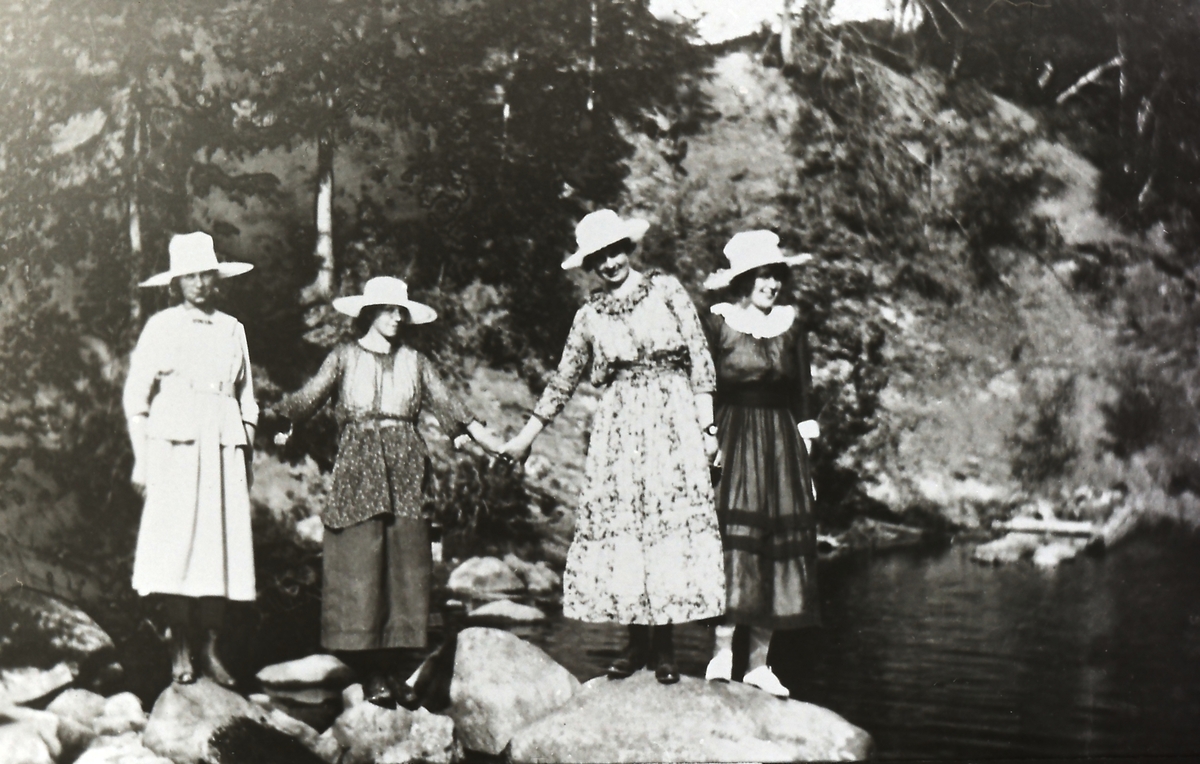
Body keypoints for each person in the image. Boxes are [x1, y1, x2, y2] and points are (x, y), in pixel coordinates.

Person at [501, 209, 725, 685]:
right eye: (599, 257)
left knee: (665, 523)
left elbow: (702, 361)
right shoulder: (589, 314)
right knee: (626, 525)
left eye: (615, 251)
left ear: (630, 249)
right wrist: (525, 438)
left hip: (672, 418)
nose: (610, 263)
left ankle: (665, 646)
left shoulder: (666, 290)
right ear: (590, 264)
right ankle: (633, 643)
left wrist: (708, 433)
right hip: (619, 426)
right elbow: (563, 380)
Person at [271, 276, 501, 708]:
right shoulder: (343, 357)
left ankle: (397, 672)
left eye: (402, 311)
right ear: (370, 312)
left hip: (406, 468)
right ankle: (371, 671)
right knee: (362, 564)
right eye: (390, 309)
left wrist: (496, 446)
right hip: (358, 468)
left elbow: (453, 408)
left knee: (404, 566)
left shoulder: (415, 361)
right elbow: (308, 398)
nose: (399, 317)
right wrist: (272, 416)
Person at [123, 231, 258, 687]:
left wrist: (246, 449)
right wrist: (142, 460)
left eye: (207, 274)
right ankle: (178, 645)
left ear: (217, 278)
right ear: (176, 282)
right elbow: (136, 400)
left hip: (221, 449)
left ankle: (210, 648)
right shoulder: (161, 327)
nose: (200, 284)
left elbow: (248, 399)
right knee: (177, 548)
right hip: (174, 450)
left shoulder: (233, 328)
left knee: (219, 549)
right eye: (190, 276)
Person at [700, 230, 821, 697]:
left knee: (773, 542)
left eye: (777, 276)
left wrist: (806, 453)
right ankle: (721, 654)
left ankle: (758, 664)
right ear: (745, 279)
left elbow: (804, 392)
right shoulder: (719, 323)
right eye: (763, 276)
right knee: (733, 544)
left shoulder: (792, 325)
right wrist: (708, 437)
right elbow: (704, 385)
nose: (771, 284)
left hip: (781, 443)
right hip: (732, 436)